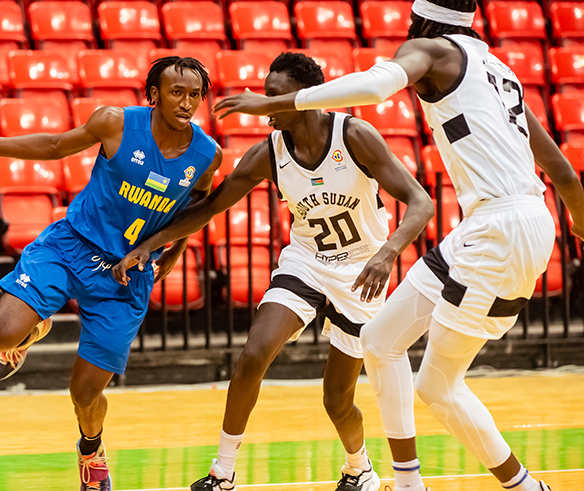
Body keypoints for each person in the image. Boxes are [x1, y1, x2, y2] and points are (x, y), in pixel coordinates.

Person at [212, 1, 584, 490]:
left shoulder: (432, 49)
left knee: (437, 385)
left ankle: (523, 486)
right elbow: (562, 171)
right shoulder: (499, 71)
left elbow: (376, 87)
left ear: (424, 19)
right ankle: (406, 481)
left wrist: (274, 103)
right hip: (501, 223)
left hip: (498, 229)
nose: (407, 33)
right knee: (380, 341)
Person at [113, 52, 433, 491]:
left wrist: (389, 252)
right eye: (264, 97)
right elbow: (209, 207)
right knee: (252, 354)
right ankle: (222, 472)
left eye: (274, 98)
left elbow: (422, 202)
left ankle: (359, 468)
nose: (264, 107)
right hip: (306, 261)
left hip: (363, 271)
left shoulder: (354, 136)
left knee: (337, 400)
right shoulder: (269, 153)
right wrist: (150, 245)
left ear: (306, 99)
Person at [0, 56, 221, 491]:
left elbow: (198, 207)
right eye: (176, 92)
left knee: (85, 393)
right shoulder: (114, 123)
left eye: (195, 95)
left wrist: (176, 250)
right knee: (0, 334)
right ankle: (29, 333)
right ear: (154, 95)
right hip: (71, 245)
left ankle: (91, 451)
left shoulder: (208, 154)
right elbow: (55, 146)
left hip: (126, 275)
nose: (187, 102)